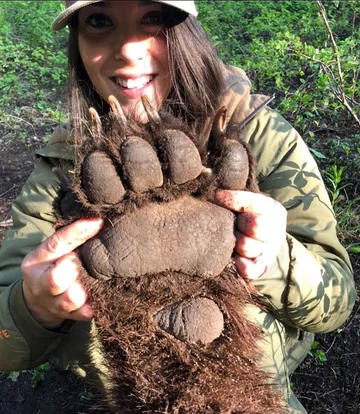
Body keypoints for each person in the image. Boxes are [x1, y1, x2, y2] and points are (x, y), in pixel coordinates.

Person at [0, 1, 355, 412]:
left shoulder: (257, 136)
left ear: (187, 31)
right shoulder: (62, 166)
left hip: (257, 393)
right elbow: (5, 348)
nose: (128, 50)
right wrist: (34, 305)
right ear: (76, 43)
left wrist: (270, 257)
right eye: (99, 22)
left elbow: (338, 304)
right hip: (120, 397)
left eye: (152, 18)